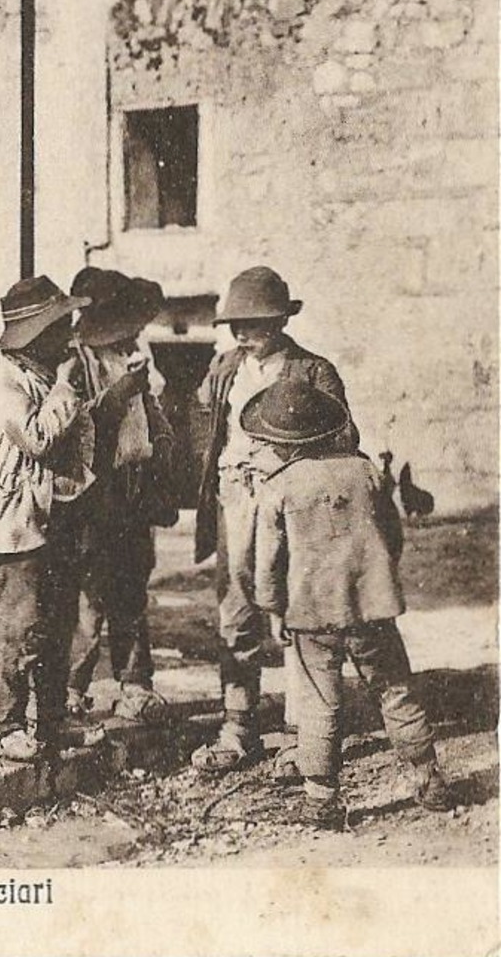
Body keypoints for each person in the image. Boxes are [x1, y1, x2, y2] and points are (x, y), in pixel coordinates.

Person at [242, 377, 452, 828]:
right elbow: (391, 536)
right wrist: (374, 579)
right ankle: (429, 777)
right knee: (394, 688)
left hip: (311, 614)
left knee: (321, 702)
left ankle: (322, 799)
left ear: (280, 444)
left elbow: (267, 564)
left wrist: (274, 608)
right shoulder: (365, 472)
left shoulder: (277, 488)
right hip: (371, 607)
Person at [192, 266, 357, 773]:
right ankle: (239, 724)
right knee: (237, 609)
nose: (244, 333)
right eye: (235, 323)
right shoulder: (225, 368)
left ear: (282, 320)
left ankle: (297, 732)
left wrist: (288, 459)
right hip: (236, 500)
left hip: (291, 503)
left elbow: (346, 438)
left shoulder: (313, 371)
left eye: (256, 322)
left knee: (294, 609)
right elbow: (204, 420)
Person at [0, 276, 120, 762]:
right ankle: (1, 725)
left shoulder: (39, 371)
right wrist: (65, 387)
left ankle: (52, 722)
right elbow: (37, 438)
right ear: (37, 331)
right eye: (60, 324)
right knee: (20, 627)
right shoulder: (3, 377)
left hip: (56, 516)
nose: (70, 333)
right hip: (18, 525)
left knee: (56, 626)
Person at [65, 268, 176, 724]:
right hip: (95, 493)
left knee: (131, 590)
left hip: (132, 489)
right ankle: (71, 685)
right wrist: (123, 392)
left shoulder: (129, 354)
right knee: (88, 596)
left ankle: (135, 685)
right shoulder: (76, 363)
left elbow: (153, 423)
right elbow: (80, 423)